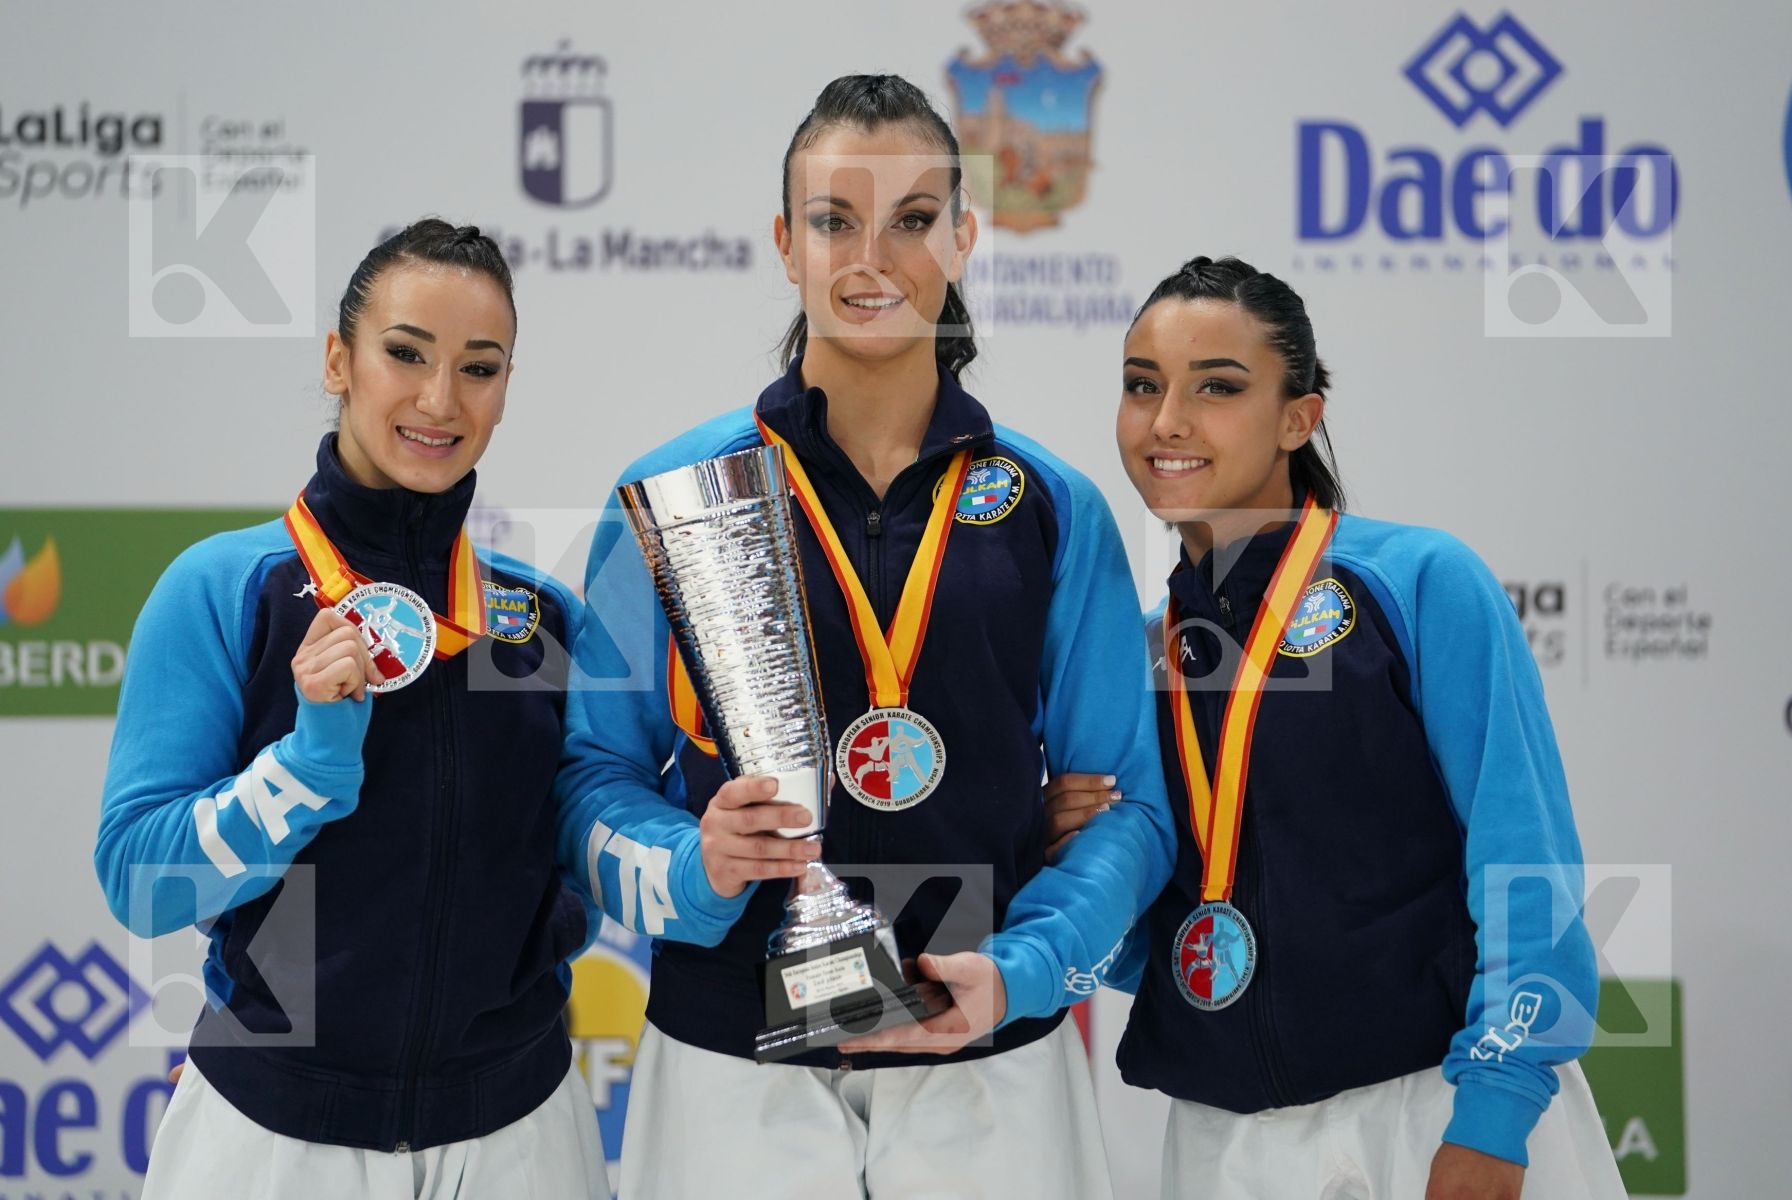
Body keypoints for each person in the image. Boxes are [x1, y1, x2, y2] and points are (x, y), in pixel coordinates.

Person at [553, 74, 1174, 1199]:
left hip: (987, 1056)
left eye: (913, 221)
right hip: (730, 1063)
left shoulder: (1051, 504)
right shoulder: (677, 494)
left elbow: (1129, 810)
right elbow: (587, 781)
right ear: (786, 242)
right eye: (836, 220)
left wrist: (1023, 972)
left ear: (966, 235)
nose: (870, 255)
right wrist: (695, 866)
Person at [1050, 254, 1626, 1200]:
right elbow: (1167, 939)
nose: (1168, 422)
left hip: (1439, 1108)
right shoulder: (1143, 658)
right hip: (1224, 1144)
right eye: (1142, 385)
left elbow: (1524, 861)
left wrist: (1495, 1109)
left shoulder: (1417, 584)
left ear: (1298, 416)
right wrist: (1068, 856)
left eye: (1218, 387)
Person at [95, 219, 608, 1198]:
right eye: (404, 353)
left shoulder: (539, 622)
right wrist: (305, 768)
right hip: (272, 1134)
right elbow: (140, 883)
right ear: (339, 359)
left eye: (479, 367)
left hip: (519, 1137)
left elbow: (585, 849)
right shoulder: (227, 588)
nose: (438, 399)